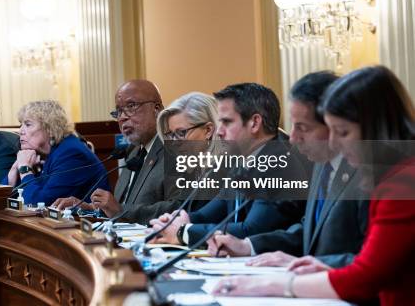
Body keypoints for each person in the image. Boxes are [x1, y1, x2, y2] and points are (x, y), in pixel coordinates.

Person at [213, 66, 415, 306]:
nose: (334, 142)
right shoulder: (335, 167)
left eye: (342, 131)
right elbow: (320, 232)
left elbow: (369, 272)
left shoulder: (402, 183)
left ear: (374, 128)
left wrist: (276, 285)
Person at [207, 71, 368, 268]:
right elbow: (308, 231)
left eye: (303, 128)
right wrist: (248, 246)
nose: (292, 138)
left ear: (332, 123)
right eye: (293, 126)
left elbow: (378, 259)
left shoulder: (366, 173)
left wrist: (314, 264)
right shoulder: (321, 165)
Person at [149, 83, 309, 246]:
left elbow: (252, 230)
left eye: (227, 122)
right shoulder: (240, 161)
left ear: (254, 123)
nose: (219, 131)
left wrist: (184, 232)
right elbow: (210, 213)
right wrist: (176, 221)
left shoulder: (279, 164)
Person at [57, 80, 181, 224]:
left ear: (157, 109)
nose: (122, 117)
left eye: (131, 106)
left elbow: (179, 208)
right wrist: (89, 209)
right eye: (119, 111)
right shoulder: (133, 152)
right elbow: (122, 206)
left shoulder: (177, 151)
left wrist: (120, 211)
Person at [6, 100, 110, 206]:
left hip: (90, 220)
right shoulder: (40, 153)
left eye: (28, 125)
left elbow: (38, 204)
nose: (20, 131)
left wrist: (24, 169)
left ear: (50, 129)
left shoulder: (71, 153)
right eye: (21, 125)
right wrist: (14, 170)